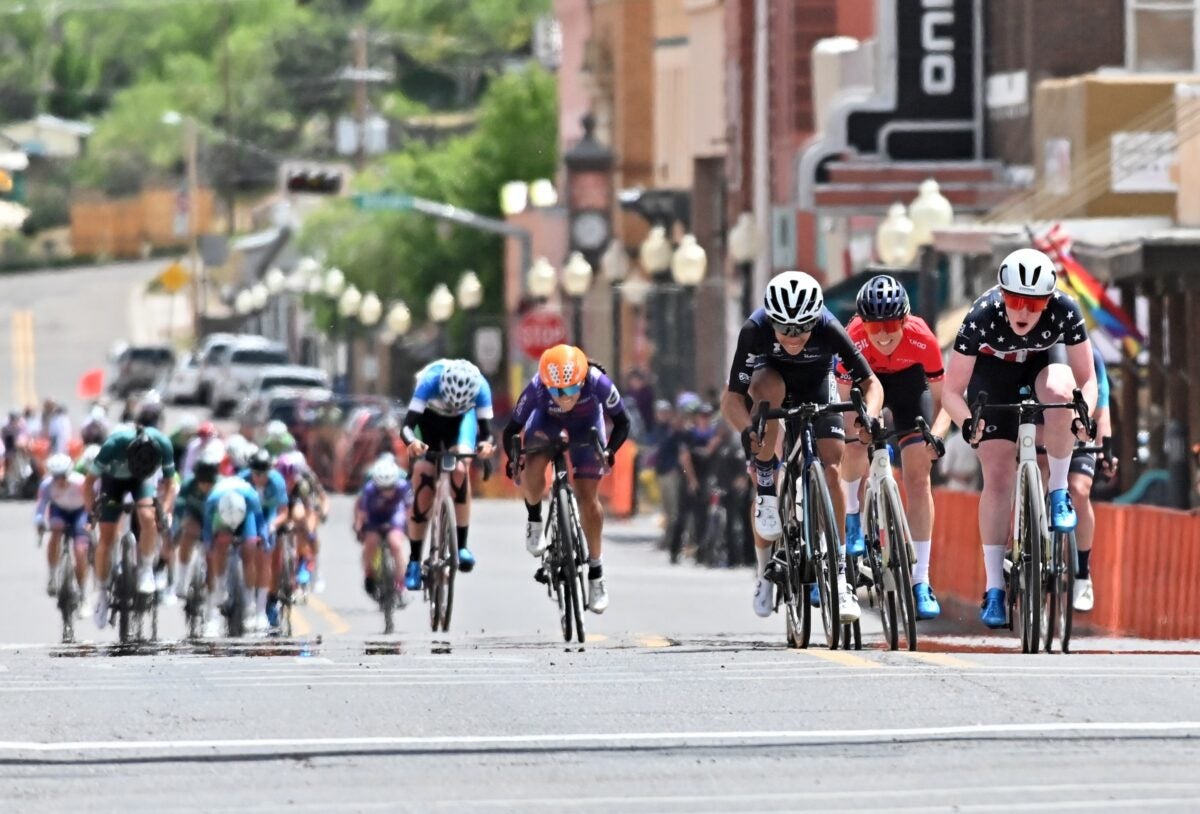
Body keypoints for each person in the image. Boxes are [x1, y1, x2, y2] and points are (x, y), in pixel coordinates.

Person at [941, 248, 1098, 629]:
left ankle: (1058, 493)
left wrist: (1084, 417)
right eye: (1014, 301)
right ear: (1001, 295)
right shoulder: (980, 317)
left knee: (1062, 395)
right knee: (996, 476)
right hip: (993, 377)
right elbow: (951, 391)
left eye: (1034, 303)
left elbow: (1088, 380)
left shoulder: (1066, 309)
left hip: (1044, 366)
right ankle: (995, 587)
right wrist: (966, 423)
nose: (1023, 311)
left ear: (1048, 301)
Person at [719, 270, 883, 623]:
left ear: (815, 320)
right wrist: (747, 428)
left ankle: (840, 577)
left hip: (816, 384)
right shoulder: (755, 330)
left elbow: (871, 383)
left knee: (832, 464)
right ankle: (766, 495)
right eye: (785, 329)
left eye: (801, 329)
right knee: (767, 396)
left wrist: (868, 416)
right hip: (771, 382)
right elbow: (731, 399)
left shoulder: (828, 326)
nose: (793, 337)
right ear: (771, 321)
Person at [836, 275, 952, 620]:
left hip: (907, 389)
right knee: (855, 444)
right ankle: (853, 518)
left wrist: (938, 435)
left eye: (892, 324)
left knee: (918, 475)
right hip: (864, 383)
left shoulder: (922, 338)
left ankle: (920, 581)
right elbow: (842, 405)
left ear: (905, 319)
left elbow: (945, 400)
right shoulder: (852, 337)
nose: (884, 334)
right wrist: (858, 428)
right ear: (862, 324)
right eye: (875, 327)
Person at [503, 344, 631, 614]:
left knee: (588, 497)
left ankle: (596, 574)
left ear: (582, 380)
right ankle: (535, 519)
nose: (564, 397)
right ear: (546, 385)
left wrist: (609, 451)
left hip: (586, 427)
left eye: (572, 390)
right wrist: (515, 460)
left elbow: (623, 422)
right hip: (545, 424)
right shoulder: (536, 387)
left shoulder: (597, 382)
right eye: (557, 391)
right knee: (533, 466)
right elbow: (512, 430)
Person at [400, 359, 495, 591]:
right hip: (429, 422)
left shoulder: (481, 387)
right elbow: (406, 428)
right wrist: (412, 443)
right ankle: (414, 561)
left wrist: (485, 447)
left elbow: (487, 435)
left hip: (461, 423)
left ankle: (461, 545)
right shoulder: (429, 382)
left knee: (460, 469)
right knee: (423, 476)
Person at [83, 420, 178, 630]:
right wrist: (91, 513)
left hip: (142, 479)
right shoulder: (112, 446)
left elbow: (171, 484)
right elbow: (89, 483)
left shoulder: (163, 443)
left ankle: (145, 569)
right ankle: (101, 593)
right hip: (112, 481)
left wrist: (165, 512)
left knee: (147, 516)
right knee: (106, 536)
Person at [1068, 346, 1118, 613]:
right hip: (1043, 432)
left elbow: (1101, 411)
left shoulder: (1091, 355)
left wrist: (1105, 451)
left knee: (1079, 489)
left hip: (1079, 436)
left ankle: (1083, 573)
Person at [201, 476, 267, 635]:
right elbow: (208, 530)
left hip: (245, 514)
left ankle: (250, 606)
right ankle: (217, 596)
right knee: (219, 546)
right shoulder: (212, 501)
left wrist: (263, 539)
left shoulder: (251, 498)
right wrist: (209, 545)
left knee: (249, 548)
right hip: (222, 515)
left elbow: (260, 522)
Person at [353, 457, 413, 604]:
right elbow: (363, 511)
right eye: (383, 488)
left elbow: (409, 509)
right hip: (375, 517)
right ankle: (369, 574)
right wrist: (359, 526)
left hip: (394, 515)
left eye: (390, 487)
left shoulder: (403, 486)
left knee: (395, 544)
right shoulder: (369, 490)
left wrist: (409, 527)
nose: (387, 492)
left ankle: (400, 583)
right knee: (371, 542)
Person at [35, 453, 91, 599]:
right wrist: (40, 521)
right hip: (59, 510)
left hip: (80, 511)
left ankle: (82, 591)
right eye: (56, 477)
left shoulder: (80, 482)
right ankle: (52, 575)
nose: (60, 481)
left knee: (80, 550)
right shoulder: (46, 485)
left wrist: (92, 521)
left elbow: (91, 503)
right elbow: (41, 506)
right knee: (55, 530)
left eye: (63, 476)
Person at [276, 449, 330, 591]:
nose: (288, 482)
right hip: (282, 506)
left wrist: (310, 528)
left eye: (291, 477)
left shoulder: (305, 481)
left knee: (303, 522)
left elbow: (315, 503)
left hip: (301, 504)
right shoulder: (274, 480)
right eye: (284, 477)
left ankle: (313, 569)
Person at [172, 453, 221, 605]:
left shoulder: (222, 486)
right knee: (187, 534)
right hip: (195, 518)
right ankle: (181, 580)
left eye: (209, 483)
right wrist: (176, 529)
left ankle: (215, 588)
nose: (206, 487)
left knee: (213, 552)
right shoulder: (188, 484)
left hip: (215, 521)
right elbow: (179, 507)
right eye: (203, 483)